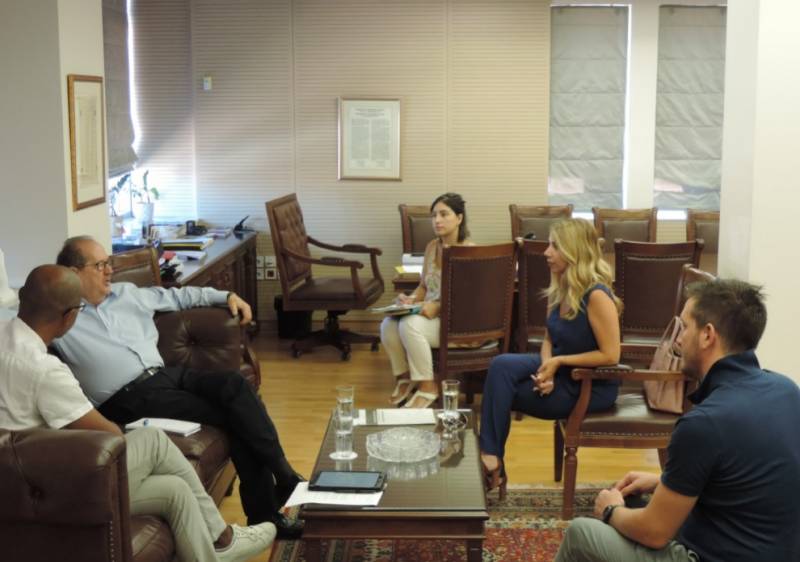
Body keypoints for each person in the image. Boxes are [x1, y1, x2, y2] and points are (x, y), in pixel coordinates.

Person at [0, 265, 276, 562]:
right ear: (69, 317)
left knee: (174, 491)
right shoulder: (45, 370)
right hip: (47, 487)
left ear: (23, 297)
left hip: (20, 480)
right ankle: (223, 538)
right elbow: (109, 435)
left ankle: (215, 551)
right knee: (152, 440)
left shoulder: (4, 336)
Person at [53, 236, 303, 538]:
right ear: (73, 273)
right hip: (128, 399)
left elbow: (180, 296)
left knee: (234, 385)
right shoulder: (59, 317)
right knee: (235, 418)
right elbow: (15, 314)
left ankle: (284, 477)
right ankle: (271, 505)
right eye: (100, 265)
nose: (109, 271)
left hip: (166, 376)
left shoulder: (127, 294)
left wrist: (227, 296)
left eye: (109, 263)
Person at [555, 279, 800, 562]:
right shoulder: (787, 390)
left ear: (707, 335)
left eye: (684, 327)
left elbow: (654, 532)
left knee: (581, 533)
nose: (678, 340)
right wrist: (665, 482)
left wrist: (610, 510)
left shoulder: (704, 423)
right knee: (636, 500)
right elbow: (744, 475)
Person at [479, 218, 622, 497]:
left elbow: (610, 355)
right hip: (562, 370)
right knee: (500, 367)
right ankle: (492, 458)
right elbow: (548, 339)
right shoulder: (560, 288)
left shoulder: (596, 296)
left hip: (589, 384)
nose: (546, 252)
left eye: (555, 246)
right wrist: (547, 370)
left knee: (501, 393)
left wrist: (558, 363)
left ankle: (492, 464)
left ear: (574, 251)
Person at [380, 192, 472, 408]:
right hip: (429, 316)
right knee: (388, 324)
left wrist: (437, 307)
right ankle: (405, 378)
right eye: (434, 215)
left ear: (459, 218)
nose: (437, 220)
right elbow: (424, 286)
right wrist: (410, 299)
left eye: (444, 214)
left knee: (409, 325)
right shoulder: (432, 246)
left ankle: (428, 386)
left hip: (456, 324)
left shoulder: (468, 252)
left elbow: (465, 300)